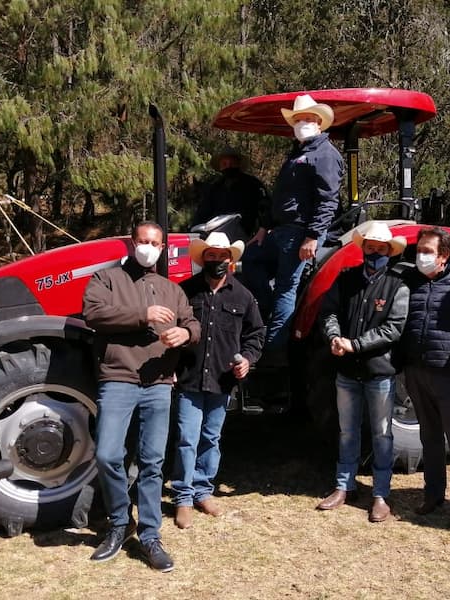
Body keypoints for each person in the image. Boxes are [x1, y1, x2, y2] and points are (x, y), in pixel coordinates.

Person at [82, 221, 201, 572]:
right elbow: (93, 314)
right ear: (131, 243)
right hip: (117, 379)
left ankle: (150, 535)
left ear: (163, 249)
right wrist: (142, 315)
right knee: (107, 454)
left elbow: (193, 323)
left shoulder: (171, 289)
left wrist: (184, 333)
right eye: (142, 241)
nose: (148, 247)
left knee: (152, 463)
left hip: (159, 383)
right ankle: (120, 522)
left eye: (154, 243)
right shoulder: (106, 280)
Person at [317, 222, 410, 523]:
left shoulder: (398, 286)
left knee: (382, 434)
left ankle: (381, 494)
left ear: (389, 252)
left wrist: (354, 344)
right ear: (363, 249)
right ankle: (344, 486)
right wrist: (333, 337)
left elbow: (393, 329)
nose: (373, 253)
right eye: (369, 248)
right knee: (347, 432)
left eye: (380, 249)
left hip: (379, 372)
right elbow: (329, 311)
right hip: (347, 371)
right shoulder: (345, 280)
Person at [171, 232, 265, 529]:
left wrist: (248, 360)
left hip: (222, 381)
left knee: (211, 438)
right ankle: (183, 498)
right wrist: (170, 366)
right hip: (189, 378)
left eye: (221, 256)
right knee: (187, 438)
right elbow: (170, 333)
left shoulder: (243, 296)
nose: (216, 261)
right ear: (202, 259)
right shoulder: (185, 292)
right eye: (210, 256)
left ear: (230, 260)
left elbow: (256, 334)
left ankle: (202, 490)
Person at [243, 94, 343, 352]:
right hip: (279, 230)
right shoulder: (298, 153)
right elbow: (280, 196)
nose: (303, 123)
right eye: (298, 119)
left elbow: (328, 200)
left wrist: (312, 236)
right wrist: (264, 228)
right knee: (250, 258)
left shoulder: (325, 155)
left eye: (308, 119)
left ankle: (275, 349)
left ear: (319, 123)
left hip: (300, 232)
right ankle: (263, 312)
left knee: (286, 289)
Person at [399, 227, 450, 529]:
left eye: (427, 251)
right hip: (416, 370)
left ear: (444, 256)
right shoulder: (411, 279)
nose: (420, 256)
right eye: (418, 250)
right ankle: (433, 494)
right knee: (429, 437)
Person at [192, 147, 269, 241]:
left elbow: (266, 206)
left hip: (245, 236)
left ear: (238, 164)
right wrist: (194, 232)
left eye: (232, 163)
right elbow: (203, 211)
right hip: (213, 237)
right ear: (220, 167)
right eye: (224, 164)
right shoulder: (214, 187)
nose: (228, 167)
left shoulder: (253, 184)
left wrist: (264, 228)